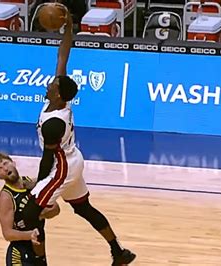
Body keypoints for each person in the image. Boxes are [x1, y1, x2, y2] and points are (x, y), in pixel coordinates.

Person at [16, 5, 136, 265]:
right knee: (83, 208)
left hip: (61, 167)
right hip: (73, 159)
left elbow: (47, 161)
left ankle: (39, 261)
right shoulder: (61, 100)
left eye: (53, 84)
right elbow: (63, 55)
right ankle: (118, 251)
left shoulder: (54, 124)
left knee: (29, 212)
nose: (50, 83)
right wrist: (70, 28)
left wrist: (38, 184)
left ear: (58, 93)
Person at [0, 152, 60, 266]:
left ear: (14, 163)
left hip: (39, 248)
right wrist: (29, 234)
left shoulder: (31, 183)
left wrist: (39, 214)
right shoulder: (5, 197)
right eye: (0, 169)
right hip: (20, 254)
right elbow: (7, 234)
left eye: (6, 163)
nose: (5, 168)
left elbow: (56, 209)